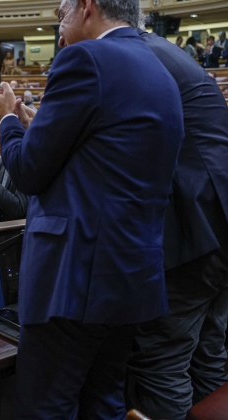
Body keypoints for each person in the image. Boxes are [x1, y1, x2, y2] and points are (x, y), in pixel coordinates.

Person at [0, 0, 184, 416]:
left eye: (61, 16)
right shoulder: (160, 70)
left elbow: (28, 172)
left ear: (88, 6)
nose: (59, 32)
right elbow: (105, 160)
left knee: (45, 408)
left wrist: (6, 121)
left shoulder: (86, 59)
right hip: (130, 277)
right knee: (104, 403)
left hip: (73, 280)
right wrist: (38, 128)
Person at [125, 22, 228, 420]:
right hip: (217, 229)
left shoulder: (130, 55)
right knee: (207, 353)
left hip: (193, 232)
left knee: (162, 360)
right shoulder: (166, 52)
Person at [0, 120, 28, 223]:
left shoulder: (29, 163)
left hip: (17, 235)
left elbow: (20, 209)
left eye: (7, 128)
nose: (3, 134)